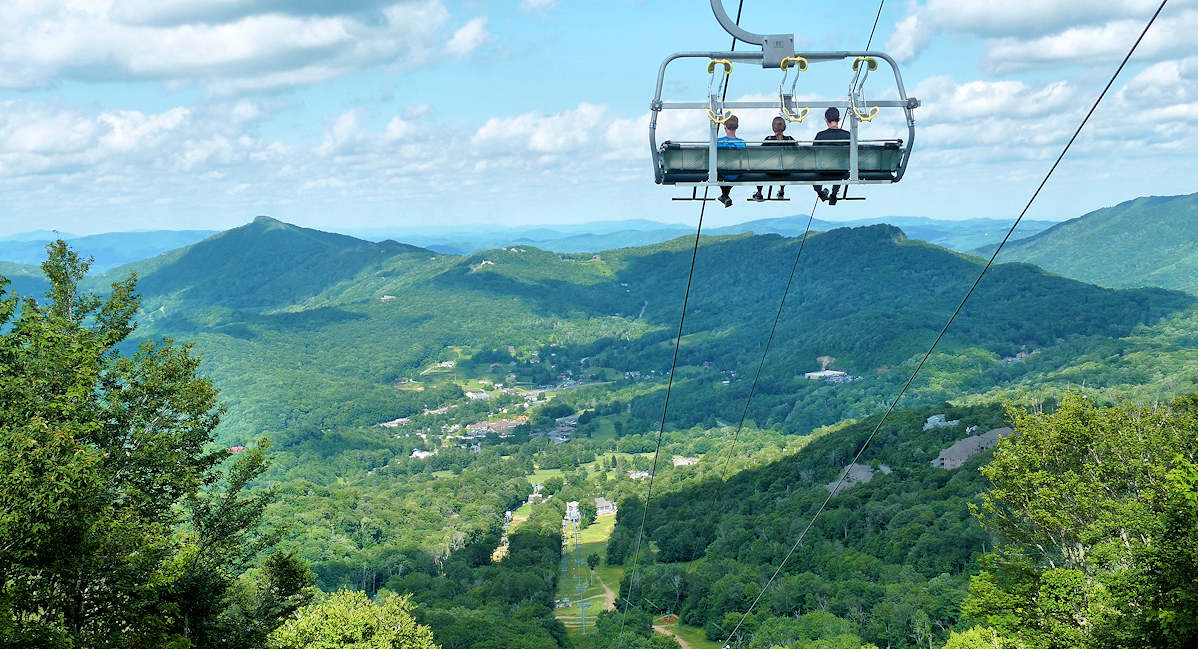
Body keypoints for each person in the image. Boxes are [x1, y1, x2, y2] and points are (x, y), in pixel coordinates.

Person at [752, 116, 796, 202]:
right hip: (786, 172)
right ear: (785, 128)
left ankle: (759, 193)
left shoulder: (768, 140)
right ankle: (781, 191)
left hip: (770, 172)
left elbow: (759, 155)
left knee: (760, 166)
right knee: (784, 164)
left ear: (773, 128)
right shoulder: (790, 139)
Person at [813, 107, 850, 205]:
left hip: (823, 170)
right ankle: (834, 193)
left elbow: (813, 155)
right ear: (839, 119)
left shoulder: (820, 136)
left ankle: (821, 193)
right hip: (842, 170)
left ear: (826, 119)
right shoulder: (848, 136)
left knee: (815, 172)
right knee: (839, 164)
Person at [716, 115, 745, 208]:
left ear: (724, 126)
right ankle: (725, 196)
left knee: (719, 171)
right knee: (730, 173)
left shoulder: (717, 142)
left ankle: (725, 196)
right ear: (737, 127)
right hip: (736, 173)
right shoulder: (741, 143)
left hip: (722, 172)